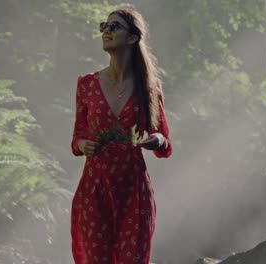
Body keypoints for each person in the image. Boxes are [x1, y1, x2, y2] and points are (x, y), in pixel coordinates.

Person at [70, 8, 172, 264]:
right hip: (95, 189)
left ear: (132, 38)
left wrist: (154, 140)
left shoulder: (149, 85)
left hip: (133, 190)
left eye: (114, 26)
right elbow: (77, 138)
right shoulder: (87, 84)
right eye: (104, 25)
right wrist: (83, 144)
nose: (106, 30)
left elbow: (163, 141)